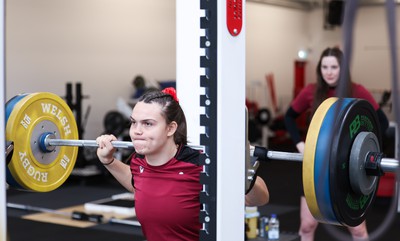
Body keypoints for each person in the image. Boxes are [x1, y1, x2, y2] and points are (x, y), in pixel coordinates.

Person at [96, 87, 269, 241]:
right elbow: (138, 183)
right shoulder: (139, 160)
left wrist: (243, 170)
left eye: (148, 124)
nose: (137, 131)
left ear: (170, 128)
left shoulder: (199, 164)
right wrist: (108, 161)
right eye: (134, 122)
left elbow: (260, 199)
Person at [284, 47, 389, 241]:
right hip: (314, 167)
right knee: (307, 226)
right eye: (324, 67)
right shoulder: (311, 91)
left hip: (347, 169)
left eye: (334, 66)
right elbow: (289, 117)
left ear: (343, 68)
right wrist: (299, 143)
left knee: (357, 229)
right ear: (320, 69)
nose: (329, 72)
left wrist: (364, 147)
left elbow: (381, 122)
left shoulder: (357, 90)